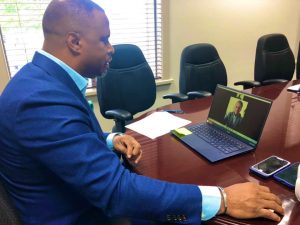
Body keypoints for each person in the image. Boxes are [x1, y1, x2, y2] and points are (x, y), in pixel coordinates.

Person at [0, 1, 284, 225]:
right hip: (81, 215)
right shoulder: (41, 100)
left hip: (78, 198)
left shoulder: (39, 80)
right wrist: (223, 199)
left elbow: (64, 137)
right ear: (74, 42)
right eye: (105, 39)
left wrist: (109, 140)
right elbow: (116, 193)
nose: (111, 49)